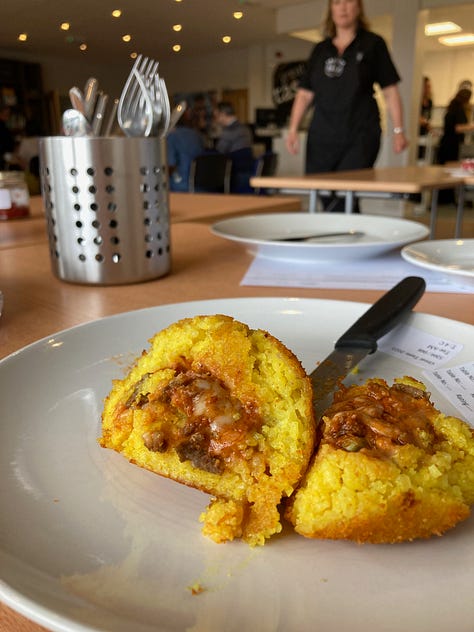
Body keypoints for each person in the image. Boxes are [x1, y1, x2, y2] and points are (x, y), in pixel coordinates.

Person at [285, 0, 408, 213]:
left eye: (349, 2)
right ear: (331, 9)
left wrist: (398, 131)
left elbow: (390, 91)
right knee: (323, 193)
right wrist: (293, 129)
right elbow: (304, 94)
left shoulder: (373, 44)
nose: (343, 8)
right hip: (322, 135)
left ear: (358, 8)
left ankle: (347, 241)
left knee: (345, 195)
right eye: (337, 2)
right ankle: (340, 239)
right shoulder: (320, 49)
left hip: (359, 134)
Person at [436, 86, 474, 204]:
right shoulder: (459, 109)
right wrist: (472, 126)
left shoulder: (451, 108)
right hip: (452, 144)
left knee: (445, 171)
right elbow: (457, 128)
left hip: (446, 143)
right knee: (451, 171)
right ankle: (447, 198)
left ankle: (444, 198)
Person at [215, 101, 254, 193]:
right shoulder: (246, 129)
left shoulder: (229, 132)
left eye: (216, 116)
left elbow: (219, 151)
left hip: (234, 174)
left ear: (223, 114)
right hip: (248, 171)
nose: (216, 120)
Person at [166, 106, 205, 192]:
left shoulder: (173, 137)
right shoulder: (198, 135)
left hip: (181, 185)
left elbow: (170, 165)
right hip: (201, 185)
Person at [0, 105, 15, 171]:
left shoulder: (4, 125)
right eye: (6, 114)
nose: (8, 116)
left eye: (9, 114)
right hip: (3, 154)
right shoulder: (2, 125)